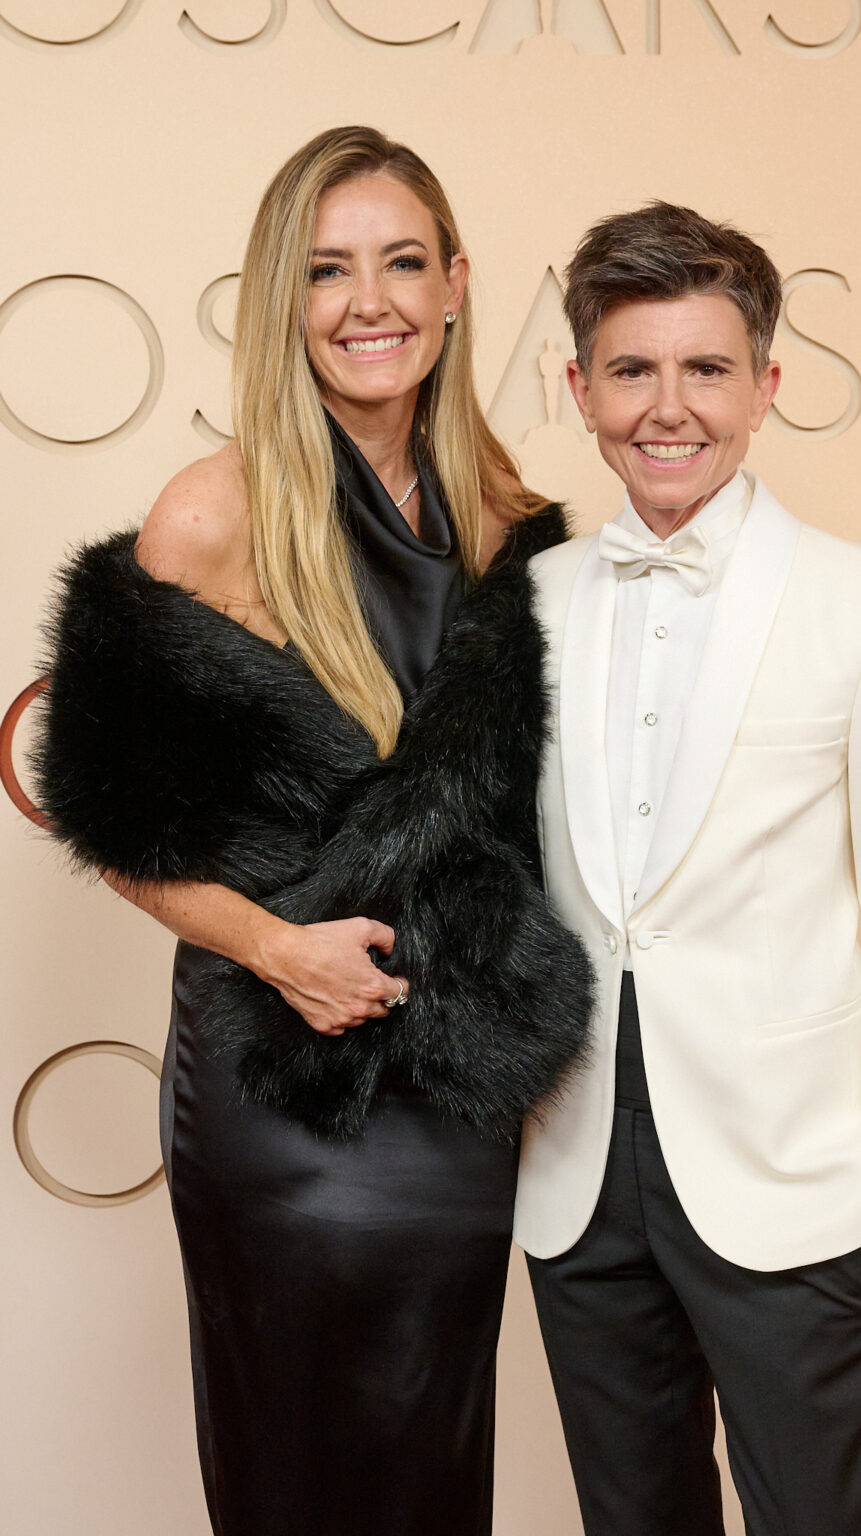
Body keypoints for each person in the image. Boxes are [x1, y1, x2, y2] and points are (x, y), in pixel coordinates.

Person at [33, 127, 592, 1536]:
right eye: (329, 270)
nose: (370, 302)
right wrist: (285, 951)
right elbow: (120, 828)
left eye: (403, 262)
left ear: (458, 285)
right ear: (284, 299)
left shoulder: (514, 523)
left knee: (432, 1464)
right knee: (293, 1471)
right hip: (279, 1083)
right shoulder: (210, 515)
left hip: (454, 1094)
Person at [514, 202, 861, 1536]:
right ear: (581, 388)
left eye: (708, 369)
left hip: (802, 1184)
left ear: (767, 385)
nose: (671, 408)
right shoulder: (532, 607)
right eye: (634, 369)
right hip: (578, 1183)